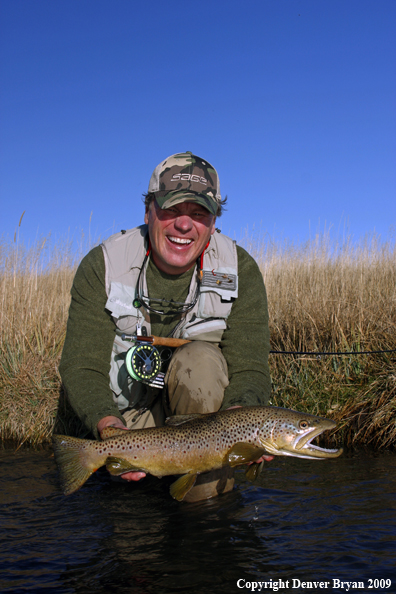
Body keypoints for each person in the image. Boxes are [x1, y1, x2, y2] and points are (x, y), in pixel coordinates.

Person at [59, 151, 272, 501]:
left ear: (213, 223)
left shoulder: (239, 268)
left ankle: (202, 514)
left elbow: (250, 366)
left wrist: (242, 420)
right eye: (171, 209)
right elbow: (81, 366)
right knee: (132, 530)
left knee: (200, 361)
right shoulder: (105, 265)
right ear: (148, 212)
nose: (184, 225)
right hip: (126, 423)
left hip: (205, 434)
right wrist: (107, 426)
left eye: (199, 213)